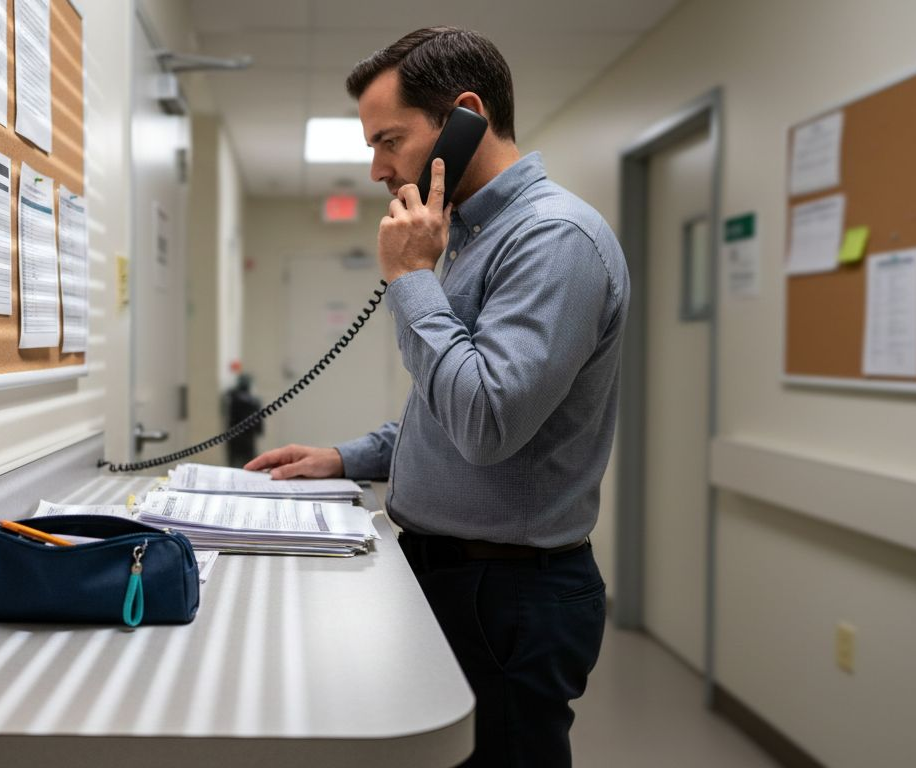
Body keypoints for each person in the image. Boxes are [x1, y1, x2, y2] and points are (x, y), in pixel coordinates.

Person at [245, 26, 629, 768]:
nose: (377, 169)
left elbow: (486, 423)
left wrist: (411, 280)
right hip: (453, 574)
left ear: (464, 118)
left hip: (506, 595)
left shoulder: (553, 239)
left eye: (389, 141)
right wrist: (346, 458)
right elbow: (445, 409)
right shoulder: (468, 236)